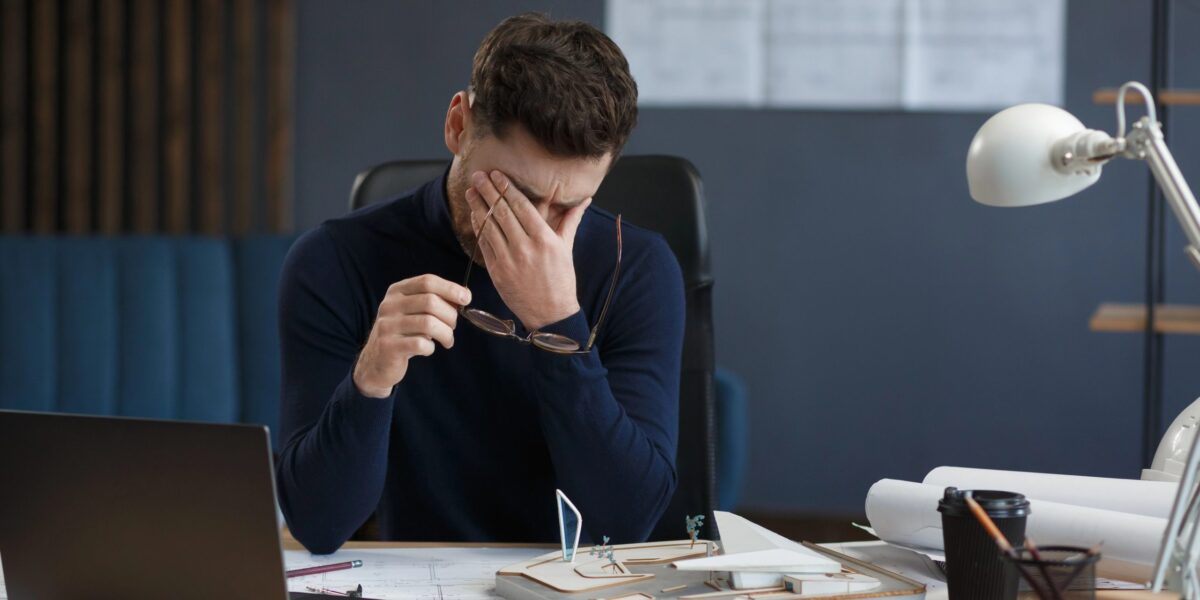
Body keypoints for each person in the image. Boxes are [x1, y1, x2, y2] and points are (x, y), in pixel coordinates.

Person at [275, 13, 685, 554]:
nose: (533, 227)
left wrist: (558, 323)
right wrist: (369, 380)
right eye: (511, 190)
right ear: (458, 126)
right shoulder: (334, 260)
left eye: (564, 206)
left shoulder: (638, 269)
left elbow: (625, 524)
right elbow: (317, 524)